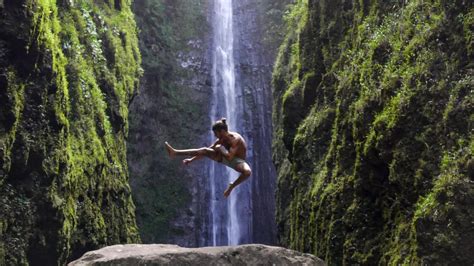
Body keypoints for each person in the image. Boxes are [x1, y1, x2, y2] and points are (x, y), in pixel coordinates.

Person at [165, 118, 252, 198]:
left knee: (247, 172)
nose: (215, 136)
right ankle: (175, 152)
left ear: (222, 131)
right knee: (205, 150)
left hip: (237, 161)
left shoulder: (236, 139)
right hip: (223, 157)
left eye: (216, 133)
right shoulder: (220, 140)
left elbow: (230, 157)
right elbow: (206, 151)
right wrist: (191, 160)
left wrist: (221, 149)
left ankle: (232, 186)